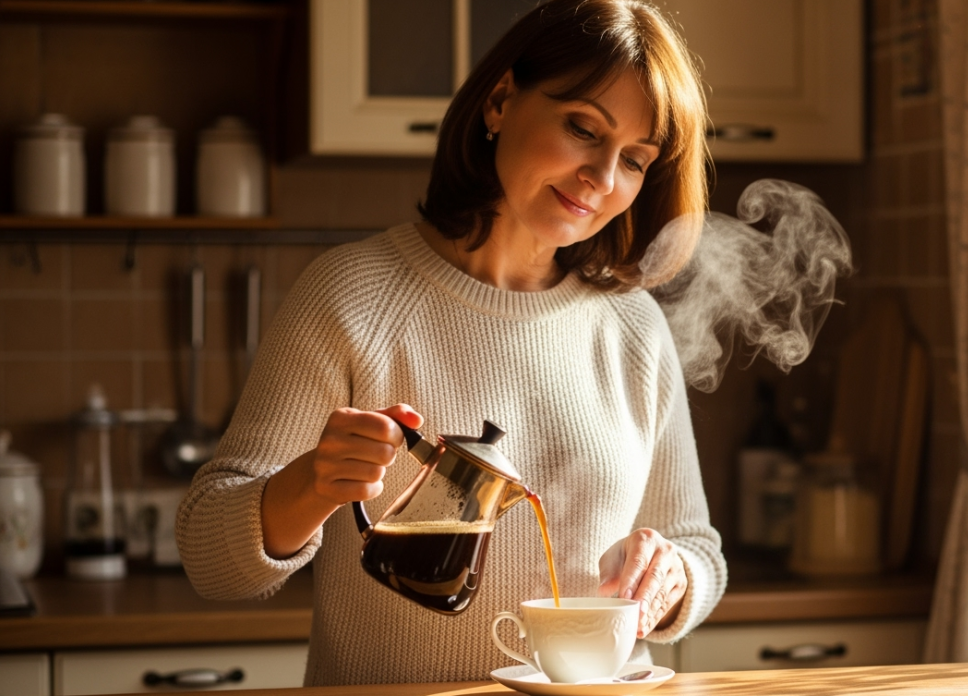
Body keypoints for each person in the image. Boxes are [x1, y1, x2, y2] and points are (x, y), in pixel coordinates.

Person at [175, 0, 725, 686]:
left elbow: (697, 549)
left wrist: (673, 576)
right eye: (583, 129)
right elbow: (209, 559)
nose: (604, 179)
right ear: (500, 101)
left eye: (635, 161)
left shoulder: (633, 327)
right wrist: (311, 485)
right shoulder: (352, 296)